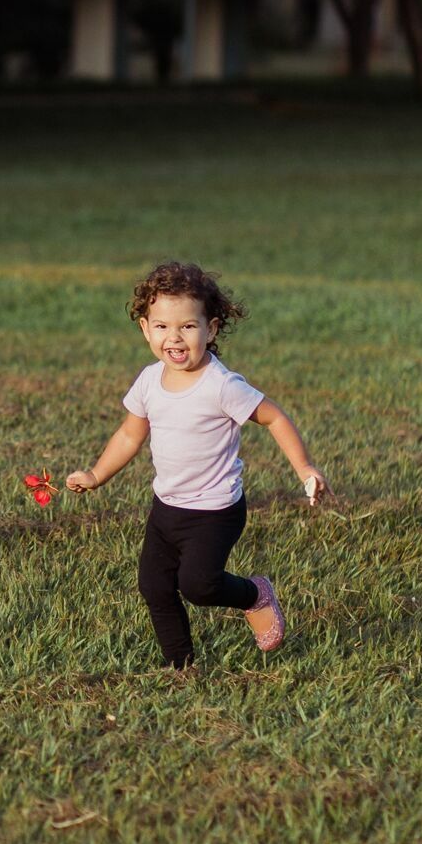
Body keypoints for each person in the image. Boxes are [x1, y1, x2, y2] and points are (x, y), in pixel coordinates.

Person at [65, 261, 330, 668]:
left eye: (188, 326)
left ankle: (254, 594)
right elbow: (129, 436)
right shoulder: (150, 380)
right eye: (162, 326)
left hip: (215, 511)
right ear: (144, 329)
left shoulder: (221, 386)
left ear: (213, 329)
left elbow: (274, 417)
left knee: (199, 585)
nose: (174, 337)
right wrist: (96, 474)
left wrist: (305, 468)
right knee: (155, 587)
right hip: (167, 508)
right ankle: (181, 667)